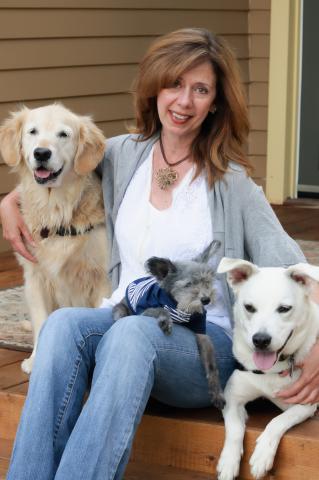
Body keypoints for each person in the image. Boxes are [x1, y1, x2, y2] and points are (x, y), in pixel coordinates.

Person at [0, 28, 313, 480]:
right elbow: (50, 167)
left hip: (206, 345)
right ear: (154, 88)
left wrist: (317, 348)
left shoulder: (234, 185)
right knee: (62, 326)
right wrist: (9, 204)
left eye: (200, 90)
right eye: (174, 84)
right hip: (124, 320)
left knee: (132, 335)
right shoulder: (123, 155)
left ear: (216, 103)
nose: (183, 101)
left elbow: (295, 269)